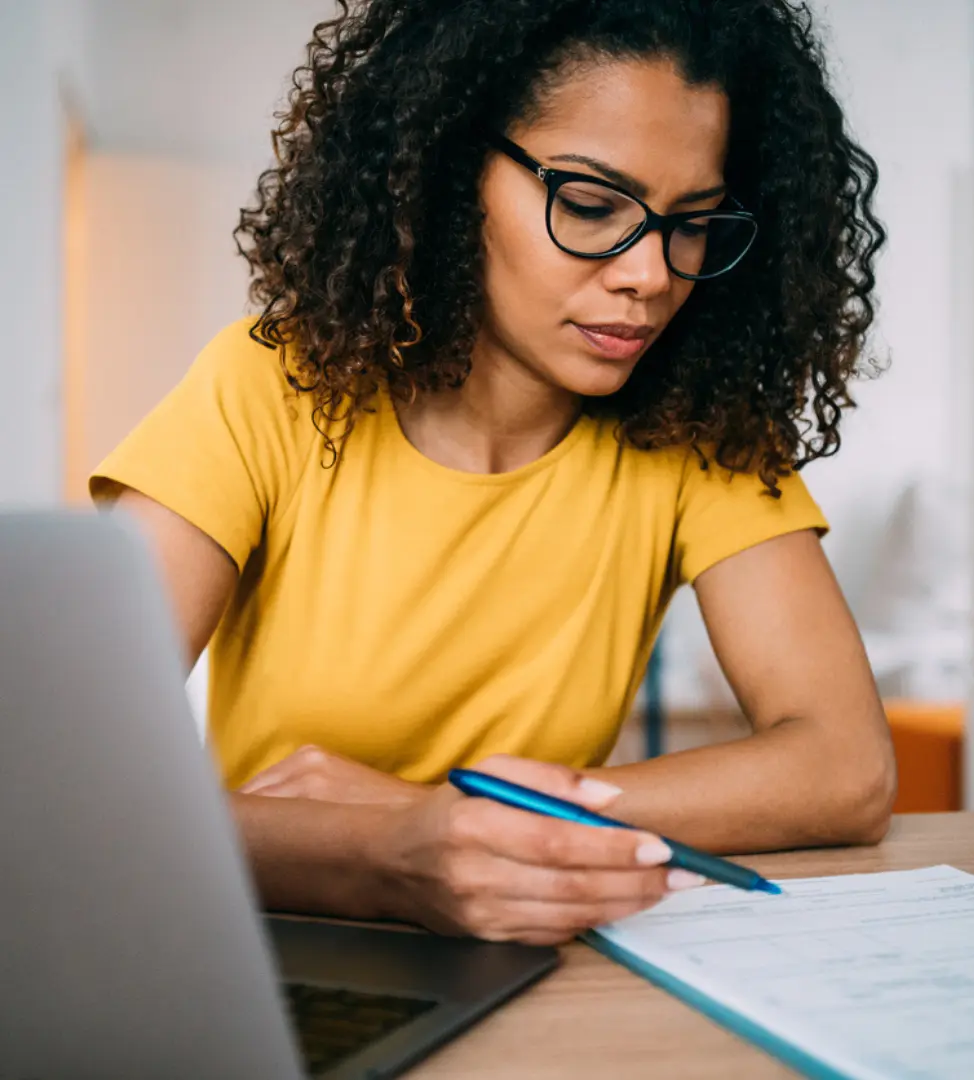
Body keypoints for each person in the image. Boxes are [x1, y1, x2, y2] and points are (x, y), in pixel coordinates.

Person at [91, 0, 895, 945]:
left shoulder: (699, 431)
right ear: (444, 172)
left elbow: (847, 769)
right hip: (266, 954)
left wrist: (439, 818)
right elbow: (74, 784)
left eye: (693, 224)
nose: (650, 275)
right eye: (592, 205)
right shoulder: (268, 386)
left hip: (534, 954)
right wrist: (394, 854)